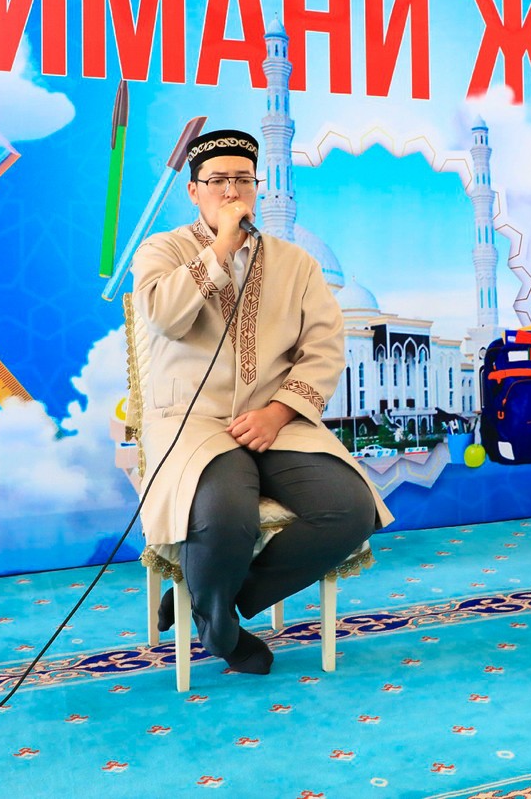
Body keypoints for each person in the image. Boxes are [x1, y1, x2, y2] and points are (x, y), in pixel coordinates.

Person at [131, 129, 391, 673]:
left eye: (242, 180)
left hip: (277, 418)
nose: (231, 192)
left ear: (258, 187)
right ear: (193, 191)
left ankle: (214, 596)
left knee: (350, 509)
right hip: (192, 420)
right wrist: (220, 249)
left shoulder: (296, 263)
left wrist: (278, 413)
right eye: (217, 181)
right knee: (225, 513)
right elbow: (165, 317)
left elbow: (324, 349)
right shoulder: (162, 251)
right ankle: (221, 631)